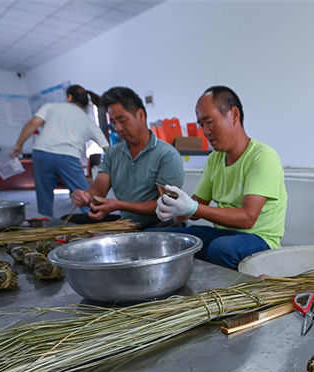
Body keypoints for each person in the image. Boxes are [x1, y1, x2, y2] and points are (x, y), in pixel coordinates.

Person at [152, 86, 287, 270]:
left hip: (260, 239)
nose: (205, 131)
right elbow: (197, 204)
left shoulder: (262, 156)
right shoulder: (215, 159)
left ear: (233, 114)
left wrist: (193, 208)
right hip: (223, 235)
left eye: (210, 122)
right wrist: (176, 209)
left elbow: (248, 218)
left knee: (221, 249)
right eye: (201, 124)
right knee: (164, 238)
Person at [70, 86, 184, 228]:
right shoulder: (113, 153)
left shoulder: (167, 155)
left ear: (141, 115)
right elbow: (99, 189)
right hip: (128, 224)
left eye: (122, 120)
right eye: (113, 122)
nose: (118, 128)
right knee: (69, 221)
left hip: (160, 225)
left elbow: (166, 205)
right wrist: (86, 196)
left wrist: (119, 205)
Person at [11, 84, 108, 218]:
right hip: (69, 157)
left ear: (69, 97)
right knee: (84, 193)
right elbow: (106, 146)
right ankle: (93, 218)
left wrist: (19, 145)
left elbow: (33, 124)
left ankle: (45, 222)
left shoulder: (50, 107)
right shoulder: (87, 120)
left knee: (44, 193)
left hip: (42, 153)